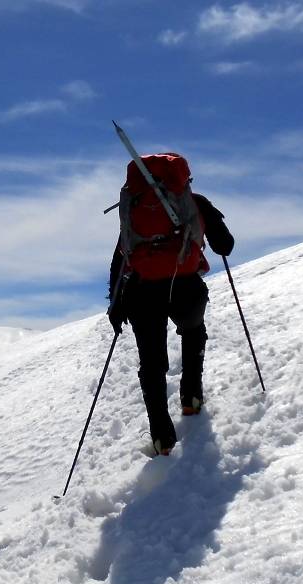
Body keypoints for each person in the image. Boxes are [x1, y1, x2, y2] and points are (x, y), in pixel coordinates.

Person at [106, 155, 234, 456]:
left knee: (151, 363)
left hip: (141, 291)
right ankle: (191, 398)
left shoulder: (135, 207)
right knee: (192, 331)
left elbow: (122, 254)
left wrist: (115, 304)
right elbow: (224, 245)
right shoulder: (194, 202)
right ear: (183, 177)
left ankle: (162, 438)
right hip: (186, 285)